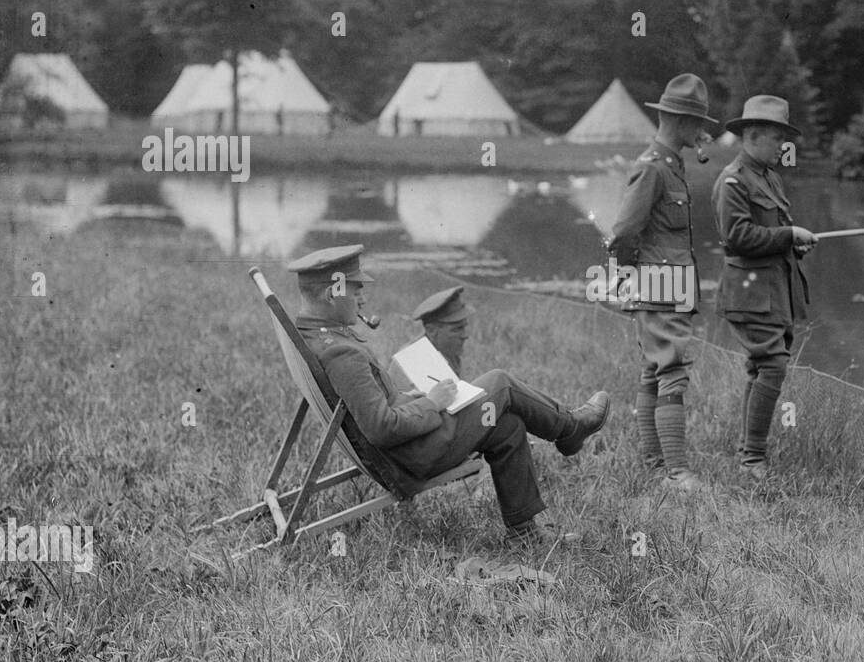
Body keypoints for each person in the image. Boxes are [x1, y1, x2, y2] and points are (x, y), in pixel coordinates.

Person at [288, 246, 609, 552]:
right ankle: (570, 428)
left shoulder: (317, 337)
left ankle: (523, 533)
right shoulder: (341, 353)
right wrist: (434, 402)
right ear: (334, 293)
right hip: (412, 456)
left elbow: (376, 407)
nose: (364, 298)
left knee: (507, 422)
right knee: (501, 384)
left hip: (407, 447)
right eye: (356, 290)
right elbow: (381, 428)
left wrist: (410, 397)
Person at [606, 74, 719, 491]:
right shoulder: (652, 168)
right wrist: (635, 275)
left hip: (670, 282)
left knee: (655, 369)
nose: (702, 132)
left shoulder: (673, 165)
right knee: (670, 367)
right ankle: (677, 472)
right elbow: (622, 232)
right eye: (697, 123)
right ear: (682, 122)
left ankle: (655, 463)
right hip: (659, 283)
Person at [711, 96, 818, 481]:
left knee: (762, 367)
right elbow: (738, 237)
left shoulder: (770, 177)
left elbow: (768, 233)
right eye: (777, 140)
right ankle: (752, 459)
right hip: (750, 293)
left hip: (773, 290)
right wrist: (788, 233)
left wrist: (792, 242)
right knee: (772, 364)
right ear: (752, 137)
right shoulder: (733, 181)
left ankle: (749, 454)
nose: (782, 148)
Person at [412, 285, 472, 377]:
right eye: (457, 329)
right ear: (431, 331)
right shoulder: (415, 359)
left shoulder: (445, 349)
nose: (465, 335)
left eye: (464, 327)